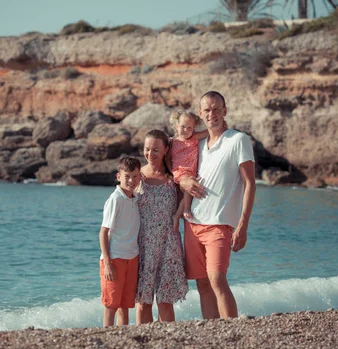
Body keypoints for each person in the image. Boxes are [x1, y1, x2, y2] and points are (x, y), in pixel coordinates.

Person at [179, 91, 256, 320]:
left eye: (216, 109)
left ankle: (231, 327)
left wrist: (243, 225)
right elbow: (176, 164)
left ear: (225, 111)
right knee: (202, 283)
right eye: (207, 110)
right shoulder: (198, 144)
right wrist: (182, 180)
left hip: (220, 225)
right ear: (201, 114)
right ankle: (212, 331)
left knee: (217, 278)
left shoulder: (238, 139)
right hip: (193, 223)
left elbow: (250, 183)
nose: (212, 114)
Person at [134, 129, 189, 324]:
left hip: (169, 242)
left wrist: (178, 214)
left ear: (166, 149)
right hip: (142, 244)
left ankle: (168, 339)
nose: (150, 154)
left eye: (156, 150)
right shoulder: (136, 176)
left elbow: (186, 199)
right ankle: (142, 341)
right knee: (143, 300)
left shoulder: (175, 176)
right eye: (147, 149)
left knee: (165, 300)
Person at [99, 157, 142, 327]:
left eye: (135, 176)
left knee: (125, 306)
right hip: (115, 259)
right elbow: (103, 232)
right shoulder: (115, 199)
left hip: (132, 258)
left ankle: (121, 338)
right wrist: (108, 263)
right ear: (119, 177)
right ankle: (106, 335)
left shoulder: (135, 198)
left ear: (139, 178)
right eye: (127, 176)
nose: (131, 180)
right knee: (111, 305)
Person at [168, 110, 209, 224]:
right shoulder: (172, 142)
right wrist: (170, 172)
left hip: (190, 173)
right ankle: (185, 209)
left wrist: (221, 127)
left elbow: (208, 132)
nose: (186, 130)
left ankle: (178, 215)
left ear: (194, 129)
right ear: (177, 126)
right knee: (189, 186)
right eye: (183, 126)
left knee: (189, 189)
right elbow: (166, 157)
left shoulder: (194, 138)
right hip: (179, 172)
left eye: (189, 128)